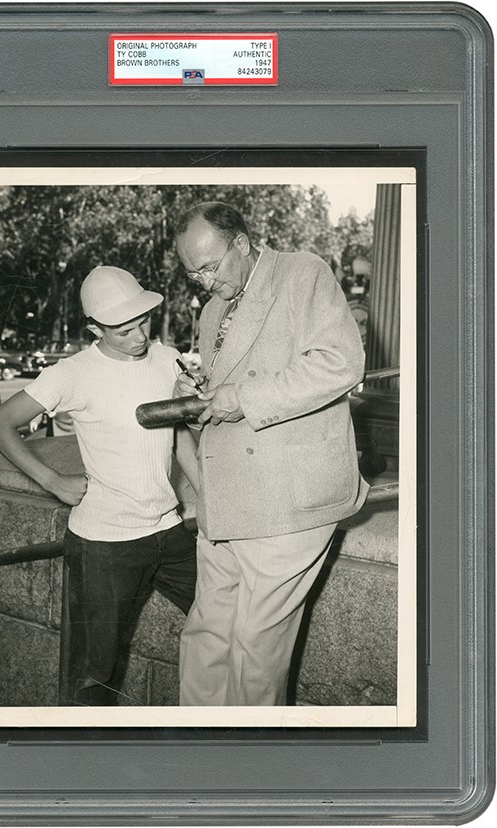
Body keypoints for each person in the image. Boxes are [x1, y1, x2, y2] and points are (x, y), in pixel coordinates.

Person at [173, 202, 369, 706]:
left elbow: (340, 363)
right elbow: (229, 395)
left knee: (256, 652)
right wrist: (200, 398)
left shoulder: (303, 273)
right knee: (206, 637)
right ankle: (196, 759)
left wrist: (243, 397)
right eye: (191, 272)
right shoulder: (214, 308)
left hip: (286, 498)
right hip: (227, 498)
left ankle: (247, 767)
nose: (201, 282)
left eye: (209, 267)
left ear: (241, 241)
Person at [0, 265, 199, 706]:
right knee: (93, 674)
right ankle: (77, 761)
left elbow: (177, 433)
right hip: (104, 544)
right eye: (123, 330)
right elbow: (0, 425)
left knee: (225, 622)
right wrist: (52, 480)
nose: (139, 336)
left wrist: (208, 495)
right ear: (94, 328)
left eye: (143, 321)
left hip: (169, 530)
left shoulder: (167, 359)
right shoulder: (73, 373)